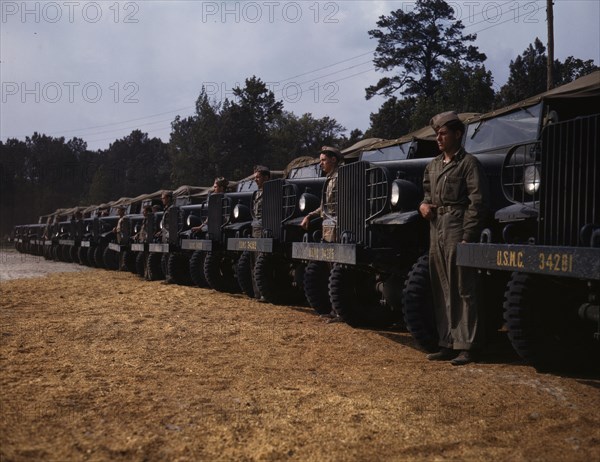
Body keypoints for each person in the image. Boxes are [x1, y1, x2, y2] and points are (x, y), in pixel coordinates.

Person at [419, 111, 490, 366]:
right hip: (436, 227)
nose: (438, 138)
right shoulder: (433, 165)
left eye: (443, 133)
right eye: (437, 134)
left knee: (463, 287)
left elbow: (478, 202)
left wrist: (468, 235)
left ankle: (467, 345)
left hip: (457, 227)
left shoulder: (469, 163)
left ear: (458, 134)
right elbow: (427, 194)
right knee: (440, 286)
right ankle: (447, 342)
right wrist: (423, 206)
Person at [300, 146, 342, 242]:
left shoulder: (341, 177)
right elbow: (324, 207)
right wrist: (309, 216)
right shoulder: (330, 178)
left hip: (338, 226)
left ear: (333, 160)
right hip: (329, 226)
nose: (320, 164)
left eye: (323, 160)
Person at [252, 166, 271, 235]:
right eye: (255, 177)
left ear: (266, 178)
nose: (255, 180)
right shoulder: (257, 193)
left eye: (258, 177)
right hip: (256, 226)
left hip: (266, 228)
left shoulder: (272, 192)